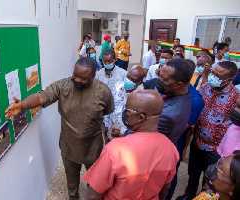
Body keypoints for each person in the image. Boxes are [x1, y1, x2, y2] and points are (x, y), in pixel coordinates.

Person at [5, 57, 114, 200]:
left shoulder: (104, 91)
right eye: (75, 75)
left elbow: (107, 113)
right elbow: (41, 97)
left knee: (94, 183)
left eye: (83, 78)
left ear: (94, 75)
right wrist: (22, 105)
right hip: (69, 146)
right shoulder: (63, 86)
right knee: (72, 182)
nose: (77, 80)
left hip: (93, 147)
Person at [83, 90, 179, 200]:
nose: (125, 114)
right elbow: (165, 188)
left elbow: (93, 194)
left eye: (128, 111)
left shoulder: (115, 150)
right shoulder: (171, 149)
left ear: (141, 117)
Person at [177, 61, 239, 200]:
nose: (213, 77)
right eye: (213, 73)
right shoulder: (205, 87)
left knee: (210, 178)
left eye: (218, 76)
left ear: (229, 79)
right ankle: (189, 195)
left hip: (215, 148)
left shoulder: (236, 97)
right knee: (192, 173)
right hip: (197, 141)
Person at [166, 59, 205, 200]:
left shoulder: (195, 100)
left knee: (169, 178)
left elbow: (181, 128)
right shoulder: (171, 90)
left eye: (165, 79)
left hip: (174, 144)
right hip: (160, 142)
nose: (161, 81)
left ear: (179, 82)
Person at [106, 66, 146, 141]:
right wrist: (106, 125)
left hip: (126, 139)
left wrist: (121, 133)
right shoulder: (117, 86)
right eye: (128, 76)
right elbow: (109, 105)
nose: (129, 80)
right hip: (110, 132)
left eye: (133, 80)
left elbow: (140, 125)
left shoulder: (141, 98)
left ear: (139, 82)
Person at [96, 50, 127, 137]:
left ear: (115, 60)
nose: (107, 63)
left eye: (109, 61)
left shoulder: (123, 74)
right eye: (104, 61)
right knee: (103, 135)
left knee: (116, 136)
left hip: (118, 112)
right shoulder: (98, 75)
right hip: (103, 110)